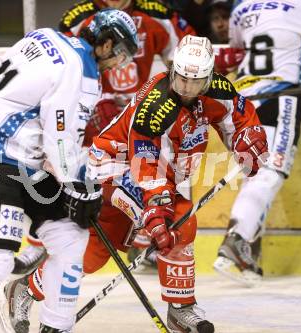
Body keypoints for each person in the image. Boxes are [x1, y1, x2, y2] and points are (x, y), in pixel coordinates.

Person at [0, 34, 268, 333]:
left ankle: (25, 288)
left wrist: (248, 139)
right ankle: (181, 308)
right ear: (172, 69)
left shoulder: (218, 89)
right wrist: (157, 208)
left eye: (196, 82)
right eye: (182, 79)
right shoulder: (156, 108)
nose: (188, 89)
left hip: (154, 173)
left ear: (209, 76)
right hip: (113, 166)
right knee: (179, 220)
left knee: (95, 252)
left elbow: (240, 117)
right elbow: (146, 164)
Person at [0, 8, 138, 333]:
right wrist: (79, 185)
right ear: (106, 43)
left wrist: (79, 185)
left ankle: (56, 327)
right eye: (121, 54)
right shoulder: (79, 67)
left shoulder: (46, 36)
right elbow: (59, 137)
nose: (119, 64)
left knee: (71, 237)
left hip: (15, 157)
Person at [13, 0, 196, 275]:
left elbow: (185, 58)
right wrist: (98, 102)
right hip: (90, 110)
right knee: (63, 166)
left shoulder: (156, 14)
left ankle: (143, 234)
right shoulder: (81, 16)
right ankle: (39, 241)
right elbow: (66, 64)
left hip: (139, 115)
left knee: (148, 171)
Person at [213, 0, 301, 286]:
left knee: (255, 176)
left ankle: (248, 255)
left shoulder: (243, 7)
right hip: (279, 98)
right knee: (270, 172)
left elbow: (238, 46)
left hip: (243, 102)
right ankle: (238, 241)